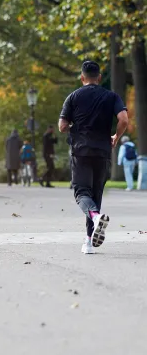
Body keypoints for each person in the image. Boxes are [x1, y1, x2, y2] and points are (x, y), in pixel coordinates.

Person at [58, 60, 128, 255]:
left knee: (81, 193)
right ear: (98, 77)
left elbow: (62, 126)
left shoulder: (73, 97)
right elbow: (124, 119)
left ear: (82, 77)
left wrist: (74, 127)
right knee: (95, 194)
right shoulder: (111, 96)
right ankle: (89, 241)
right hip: (102, 151)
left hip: (81, 151)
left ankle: (96, 219)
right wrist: (116, 136)